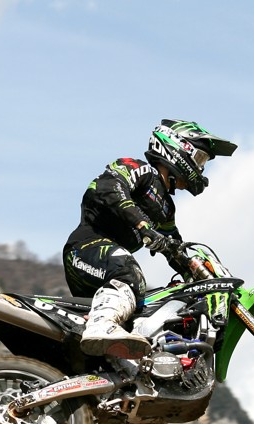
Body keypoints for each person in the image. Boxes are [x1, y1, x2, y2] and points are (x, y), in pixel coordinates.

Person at [63, 119, 237, 359]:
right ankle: (100, 326)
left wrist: (201, 275)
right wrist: (143, 226)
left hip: (107, 271)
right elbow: (108, 189)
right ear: (177, 148)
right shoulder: (137, 168)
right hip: (85, 250)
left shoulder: (166, 209)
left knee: (148, 309)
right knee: (130, 273)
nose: (200, 169)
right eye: (199, 159)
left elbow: (176, 249)